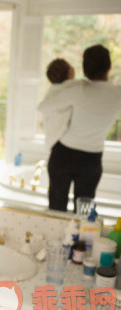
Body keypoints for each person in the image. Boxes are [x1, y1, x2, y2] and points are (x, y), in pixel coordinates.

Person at [38, 44, 121, 212]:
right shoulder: (118, 93)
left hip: (63, 155)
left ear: (84, 68)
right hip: (91, 160)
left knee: (56, 211)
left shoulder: (78, 90)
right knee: (83, 215)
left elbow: (44, 107)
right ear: (109, 67)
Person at [40, 58, 75, 151]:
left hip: (52, 143)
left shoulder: (51, 92)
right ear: (70, 72)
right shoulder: (71, 92)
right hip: (63, 145)